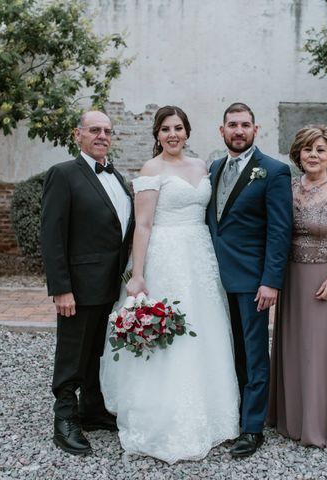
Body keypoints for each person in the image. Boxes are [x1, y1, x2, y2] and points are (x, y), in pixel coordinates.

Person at [100, 106, 239, 464]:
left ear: (188, 131)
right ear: (157, 135)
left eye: (178, 128)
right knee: (170, 334)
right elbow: (143, 225)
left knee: (206, 329)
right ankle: (162, 416)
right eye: (165, 129)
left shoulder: (202, 167)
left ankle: (211, 415)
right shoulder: (151, 169)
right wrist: (138, 274)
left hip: (201, 258)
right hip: (166, 255)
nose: (172, 134)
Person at [40, 110, 134, 455]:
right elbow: (52, 236)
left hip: (112, 285)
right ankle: (64, 418)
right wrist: (61, 288)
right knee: (73, 352)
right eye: (94, 129)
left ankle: (92, 409)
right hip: (78, 285)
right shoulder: (63, 174)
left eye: (107, 130)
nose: (102, 135)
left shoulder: (118, 177)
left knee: (99, 349)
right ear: (77, 134)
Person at [267, 125, 327, 448]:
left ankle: (322, 424)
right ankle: (293, 420)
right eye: (308, 149)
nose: (313, 155)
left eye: (320, 150)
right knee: (294, 348)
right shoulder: (290, 188)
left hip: (326, 280)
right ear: (298, 153)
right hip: (292, 278)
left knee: (321, 351)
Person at [206, 102, 293, 458]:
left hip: (252, 279)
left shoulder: (273, 171)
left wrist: (271, 281)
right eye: (232, 125)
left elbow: (280, 231)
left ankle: (252, 428)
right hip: (212, 279)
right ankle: (232, 414)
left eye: (244, 125)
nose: (238, 130)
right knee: (227, 352)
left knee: (254, 354)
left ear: (256, 130)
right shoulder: (214, 168)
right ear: (222, 130)